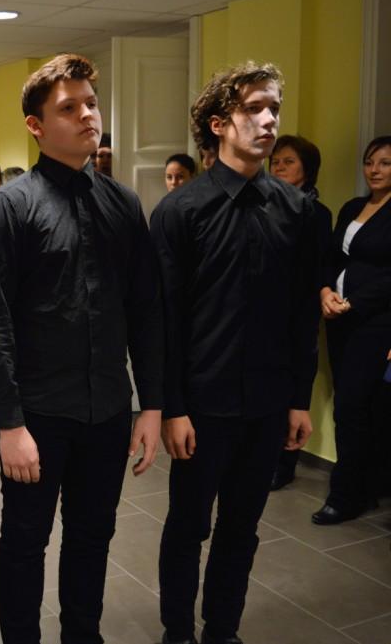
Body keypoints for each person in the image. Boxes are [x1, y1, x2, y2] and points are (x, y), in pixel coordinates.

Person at [0, 53, 163, 644]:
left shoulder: (123, 204)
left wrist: (151, 405)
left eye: (91, 104)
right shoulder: (10, 208)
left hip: (108, 408)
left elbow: (145, 311)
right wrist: (8, 424)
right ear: (36, 125)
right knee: (25, 543)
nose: (87, 116)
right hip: (38, 415)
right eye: (69, 107)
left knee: (92, 537)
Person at [151, 62, 318, 644]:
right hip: (203, 405)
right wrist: (172, 408)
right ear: (219, 124)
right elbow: (165, 323)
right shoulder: (180, 211)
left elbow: (302, 316)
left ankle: (222, 631)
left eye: (273, 108)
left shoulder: (298, 211)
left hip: (267, 402)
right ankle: (178, 633)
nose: (268, 120)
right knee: (188, 527)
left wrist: (299, 399)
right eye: (253, 108)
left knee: (242, 529)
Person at [312, 135, 391, 524]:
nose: (374, 170)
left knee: (351, 407)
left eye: (385, 163)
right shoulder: (352, 207)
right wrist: (326, 291)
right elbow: (330, 257)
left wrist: (353, 302)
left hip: (375, 323)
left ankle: (345, 495)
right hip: (339, 321)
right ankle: (367, 486)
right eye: (369, 161)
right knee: (353, 404)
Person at [268, 134, 334, 490]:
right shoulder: (262, 205)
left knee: (296, 381)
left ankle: (286, 460)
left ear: (307, 169)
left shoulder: (317, 214)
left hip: (300, 308)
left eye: (288, 161)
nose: (279, 167)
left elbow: (317, 265)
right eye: (275, 162)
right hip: (267, 308)